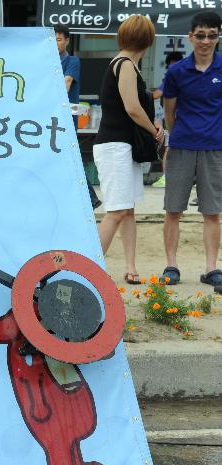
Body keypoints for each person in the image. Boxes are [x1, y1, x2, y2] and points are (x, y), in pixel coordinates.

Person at [92, 15, 163, 285]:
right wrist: (153, 129)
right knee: (117, 210)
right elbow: (132, 108)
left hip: (121, 146)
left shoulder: (126, 63)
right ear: (148, 39)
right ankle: (90, 268)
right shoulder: (125, 65)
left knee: (126, 208)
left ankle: (131, 266)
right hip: (115, 146)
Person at [161, 11, 222, 289]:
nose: (206, 41)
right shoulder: (176, 72)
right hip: (183, 146)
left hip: (214, 148)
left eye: (212, 35)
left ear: (218, 36)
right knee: (173, 210)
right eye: (201, 35)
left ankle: (211, 269)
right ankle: (171, 265)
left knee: (212, 212)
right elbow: (169, 112)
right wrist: (180, 134)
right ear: (190, 37)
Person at [54, 24, 102, 209]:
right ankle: (88, 199)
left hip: (66, 119)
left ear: (67, 40)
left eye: (59, 39)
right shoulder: (45, 61)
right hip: (49, 118)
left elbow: (66, 84)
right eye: (52, 40)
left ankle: (90, 198)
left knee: (71, 157)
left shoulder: (72, 61)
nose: (55, 43)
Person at [151, 51, 184, 189]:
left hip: (174, 120)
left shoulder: (171, 77)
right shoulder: (186, 75)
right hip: (185, 120)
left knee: (169, 149)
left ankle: (166, 177)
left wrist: (140, 94)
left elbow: (156, 95)